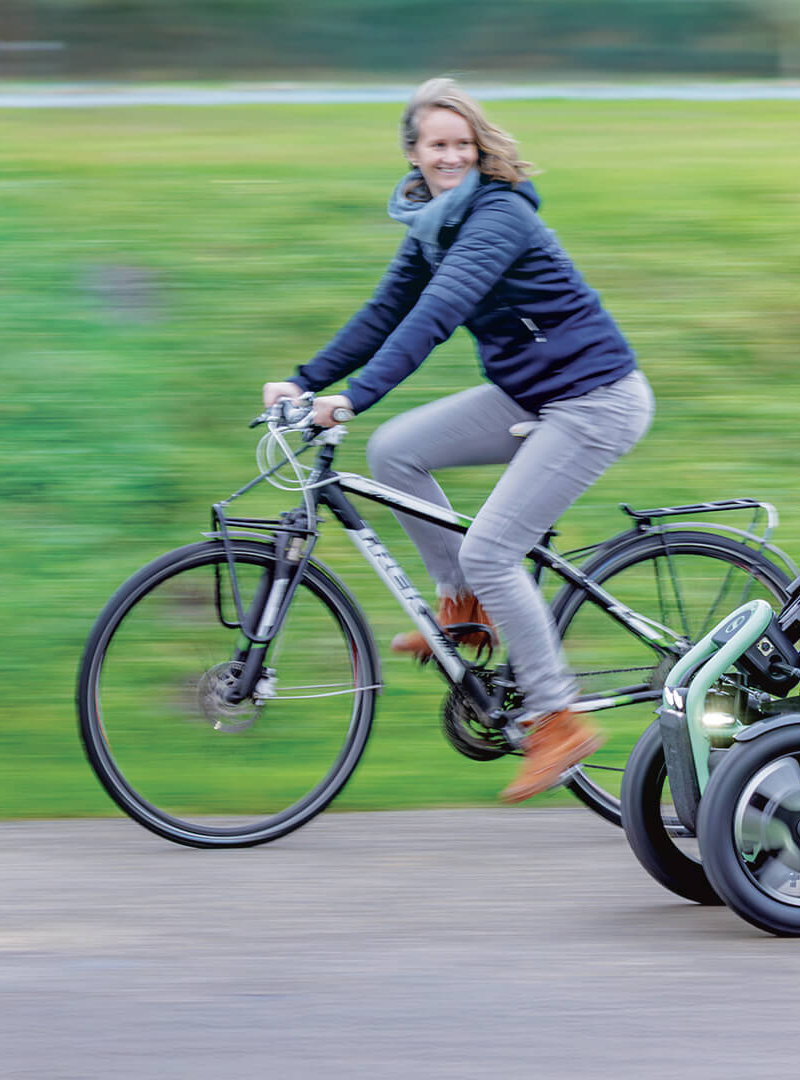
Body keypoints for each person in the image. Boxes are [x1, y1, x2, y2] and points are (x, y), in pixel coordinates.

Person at [259, 77, 655, 803]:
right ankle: (466, 609)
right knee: (395, 451)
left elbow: (435, 315)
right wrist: (304, 380)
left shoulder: (498, 215)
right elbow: (386, 311)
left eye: (462, 144)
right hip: (532, 392)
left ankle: (557, 719)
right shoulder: (433, 222)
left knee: (493, 549)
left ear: (478, 149)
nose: (450, 156)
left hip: (595, 400)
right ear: (413, 153)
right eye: (436, 145)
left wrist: (352, 398)